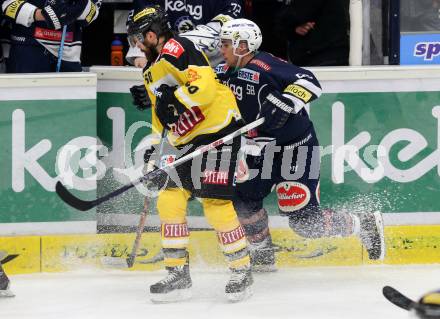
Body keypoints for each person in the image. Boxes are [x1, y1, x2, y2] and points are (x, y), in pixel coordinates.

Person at [216, 18, 385, 271]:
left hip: (294, 150)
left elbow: (309, 81)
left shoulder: (266, 66)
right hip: (256, 152)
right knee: (243, 202)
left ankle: (363, 224)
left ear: (243, 45)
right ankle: (262, 255)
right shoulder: (221, 73)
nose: (222, 49)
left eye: (227, 44)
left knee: (306, 223)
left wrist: (285, 103)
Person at [127, 5, 253, 302]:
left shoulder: (177, 47)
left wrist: (177, 99)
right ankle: (177, 273)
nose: (135, 45)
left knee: (214, 203)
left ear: (151, 35)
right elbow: (162, 119)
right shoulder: (149, 70)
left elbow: (205, 88)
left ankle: (241, 269)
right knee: (170, 197)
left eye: (137, 39)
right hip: (184, 139)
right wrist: (154, 149)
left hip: (218, 131)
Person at [127, 0, 243, 68]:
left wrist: (178, 46)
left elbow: (228, 25)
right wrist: (142, 53)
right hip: (161, 59)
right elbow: (137, 24)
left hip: (214, 61)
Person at [1, 0, 101, 72]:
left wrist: (77, 7)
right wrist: (40, 14)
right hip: (28, 45)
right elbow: (5, 4)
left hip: (68, 52)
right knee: (25, 97)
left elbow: (91, 13)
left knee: (70, 100)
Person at [274, 0, 350, 66]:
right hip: (314, 57)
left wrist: (286, 23)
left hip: (326, 56)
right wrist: (293, 29)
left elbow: (296, 15)